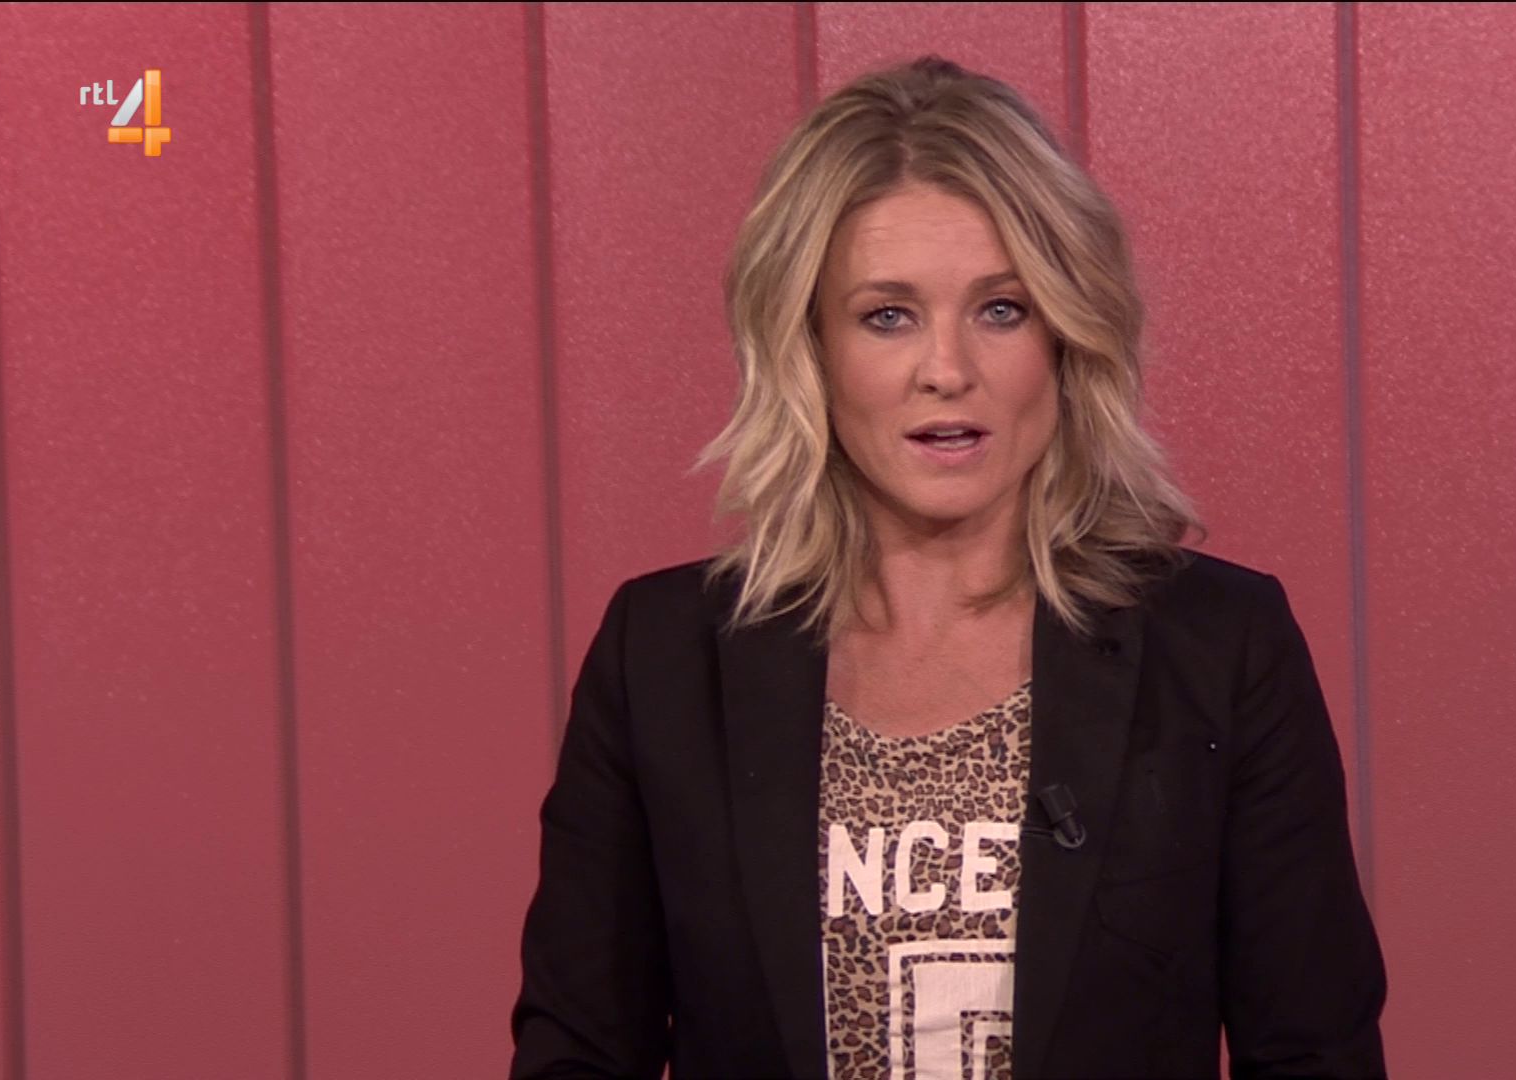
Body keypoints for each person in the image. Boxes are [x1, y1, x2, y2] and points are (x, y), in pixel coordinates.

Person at [509, 55, 1386, 1080]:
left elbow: (1315, 1053)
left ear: (1067, 334)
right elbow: (579, 1051)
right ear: (808, 346)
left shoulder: (1220, 646)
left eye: (1001, 309)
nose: (947, 370)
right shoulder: (661, 657)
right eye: (888, 315)